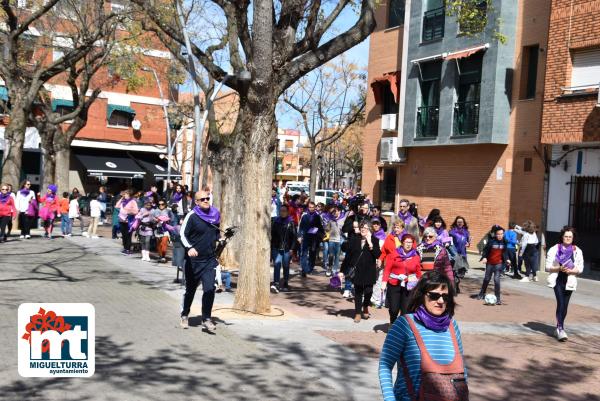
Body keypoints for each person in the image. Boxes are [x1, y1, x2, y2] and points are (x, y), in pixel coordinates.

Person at [379, 271, 468, 401]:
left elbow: (462, 369)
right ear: (422, 295)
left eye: (445, 297)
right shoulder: (404, 324)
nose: (441, 301)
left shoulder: (452, 325)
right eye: (434, 295)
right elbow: (385, 365)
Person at [180, 190, 221, 333]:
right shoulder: (192, 216)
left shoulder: (215, 215)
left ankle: (206, 319)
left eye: (207, 198)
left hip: (209, 260)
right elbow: (182, 234)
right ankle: (185, 314)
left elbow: (216, 234)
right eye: (202, 199)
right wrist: (189, 247)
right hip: (194, 261)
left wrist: (220, 239)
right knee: (190, 290)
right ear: (196, 202)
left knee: (210, 289)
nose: (205, 200)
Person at [545, 227, 584, 341]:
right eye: (566, 236)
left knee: (565, 305)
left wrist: (572, 271)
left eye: (570, 237)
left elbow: (580, 268)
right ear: (562, 237)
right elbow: (547, 267)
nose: (568, 238)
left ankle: (558, 328)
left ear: (573, 238)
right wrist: (559, 268)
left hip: (570, 281)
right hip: (558, 280)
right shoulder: (554, 249)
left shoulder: (577, 251)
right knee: (560, 303)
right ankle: (561, 329)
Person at [340, 221, 381, 323]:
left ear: (370, 230)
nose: (363, 229)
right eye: (362, 227)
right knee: (358, 292)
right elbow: (348, 256)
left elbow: (377, 255)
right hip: (357, 270)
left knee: (368, 291)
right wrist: (342, 271)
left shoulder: (374, 240)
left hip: (369, 270)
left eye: (366, 228)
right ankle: (358, 312)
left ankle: (365, 305)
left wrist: (370, 243)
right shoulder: (354, 239)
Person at [382, 233, 422, 323]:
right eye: (407, 242)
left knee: (405, 310)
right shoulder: (393, 254)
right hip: (394, 284)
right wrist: (384, 282)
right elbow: (387, 269)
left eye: (410, 242)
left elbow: (418, 272)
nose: (408, 244)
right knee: (394, 309)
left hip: (409, 286)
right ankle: (392, 321)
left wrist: (419, 283)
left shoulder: (415, 256)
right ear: (402, 243)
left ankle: (399, 326)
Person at [474, 225, 510, 305]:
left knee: (497, 280)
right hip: (490, 263)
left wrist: (507, 259)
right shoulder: (491, 241)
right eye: (498, 234)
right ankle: (481, 294)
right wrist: (484, 258)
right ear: (495, 234)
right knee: (487, 279)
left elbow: (505, 252)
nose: (500, 236)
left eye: (501, 234)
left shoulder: (505, 242)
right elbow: (485, 251)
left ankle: (498, 298)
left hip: (499, 263)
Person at [270, 205, 297, 293]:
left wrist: (292, 249)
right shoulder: (275, 221)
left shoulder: (291, 222)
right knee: (277, 264)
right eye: (281, 211)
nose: (282, 212)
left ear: (287, 212)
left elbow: (294, 237)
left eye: (284, 211)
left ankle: (285, 282)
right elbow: (272, 235)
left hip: (287, 248)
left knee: (285, 265)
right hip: (276, 247)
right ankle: (276, 283)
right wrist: (271, 246)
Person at [298, 201, 324, 277]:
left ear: (315, 207)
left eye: (313, 207)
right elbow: (301, 227)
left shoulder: (317, 216)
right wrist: (299, 236)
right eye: (310, 207)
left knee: (312, 254)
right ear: (308, 207)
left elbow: (320, 226)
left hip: (314, 238)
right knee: (304, 254)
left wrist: (322, 234)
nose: (311, 209)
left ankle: (310, 268)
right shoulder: (304, 216)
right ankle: (304, 269)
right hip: (305, 237)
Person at [449, 216, 471, 288]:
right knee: (454, 271)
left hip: (463, 254)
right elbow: (449, 242)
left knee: (461, 272)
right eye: (458, 222)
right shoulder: (452, 232)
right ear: (456, 223)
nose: (460, 223)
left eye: (461, 222)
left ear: (463, 223)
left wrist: (468, 244)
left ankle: (456, 284)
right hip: (455, 254)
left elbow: (468, 242)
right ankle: (454, 287)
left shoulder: (466, 232)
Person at [371, 218, 388, 308]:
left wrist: (381, 259)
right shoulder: (371, 235)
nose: (376, 225)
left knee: (379, 280)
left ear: (380, 225)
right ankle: (373, 298)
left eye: (377, 224)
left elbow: (385, 250)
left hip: (380, 261)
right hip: (371, 261)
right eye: (374, 224)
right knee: (373, 280)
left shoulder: (384, 237)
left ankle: (378, 300)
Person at [115, 191, 139, 255]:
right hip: (121, 220)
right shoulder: (123, 201)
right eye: (124, 194)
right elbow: (117, 206)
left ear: (129, 195)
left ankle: (128, 249)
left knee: (128, 235)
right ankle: (125, 248)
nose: (124, 195)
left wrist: (129, 211)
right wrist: (121, 198)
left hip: (129, 220)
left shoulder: (133, 201)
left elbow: (136, 211)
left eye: (125, 194)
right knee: (124, 235)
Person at [325, 205, 345, 277]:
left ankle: (334, 269)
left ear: (339, 211)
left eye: (336, 211)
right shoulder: (331, 220)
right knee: (331, 255)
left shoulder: (343, 219)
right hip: (331, 240)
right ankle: (329, 268)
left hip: (339, 240)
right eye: (333, 212)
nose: (334, 213)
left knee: (337, 256)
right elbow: (327, 229)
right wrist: (327, 226)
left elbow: (345, 229)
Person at [135, 197, 156, 262]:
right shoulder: (142, 209)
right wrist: (143, 215)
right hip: (142, 227)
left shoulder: (153, 211)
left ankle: (147, 255)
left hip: (149, 227)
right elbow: (137, 217)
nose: (148, 206)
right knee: (143, 242)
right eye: (147, 205)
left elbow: (154, 219)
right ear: (144, 204)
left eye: (149, 205)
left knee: (147, 241)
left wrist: (153, 219)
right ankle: (143, 255)